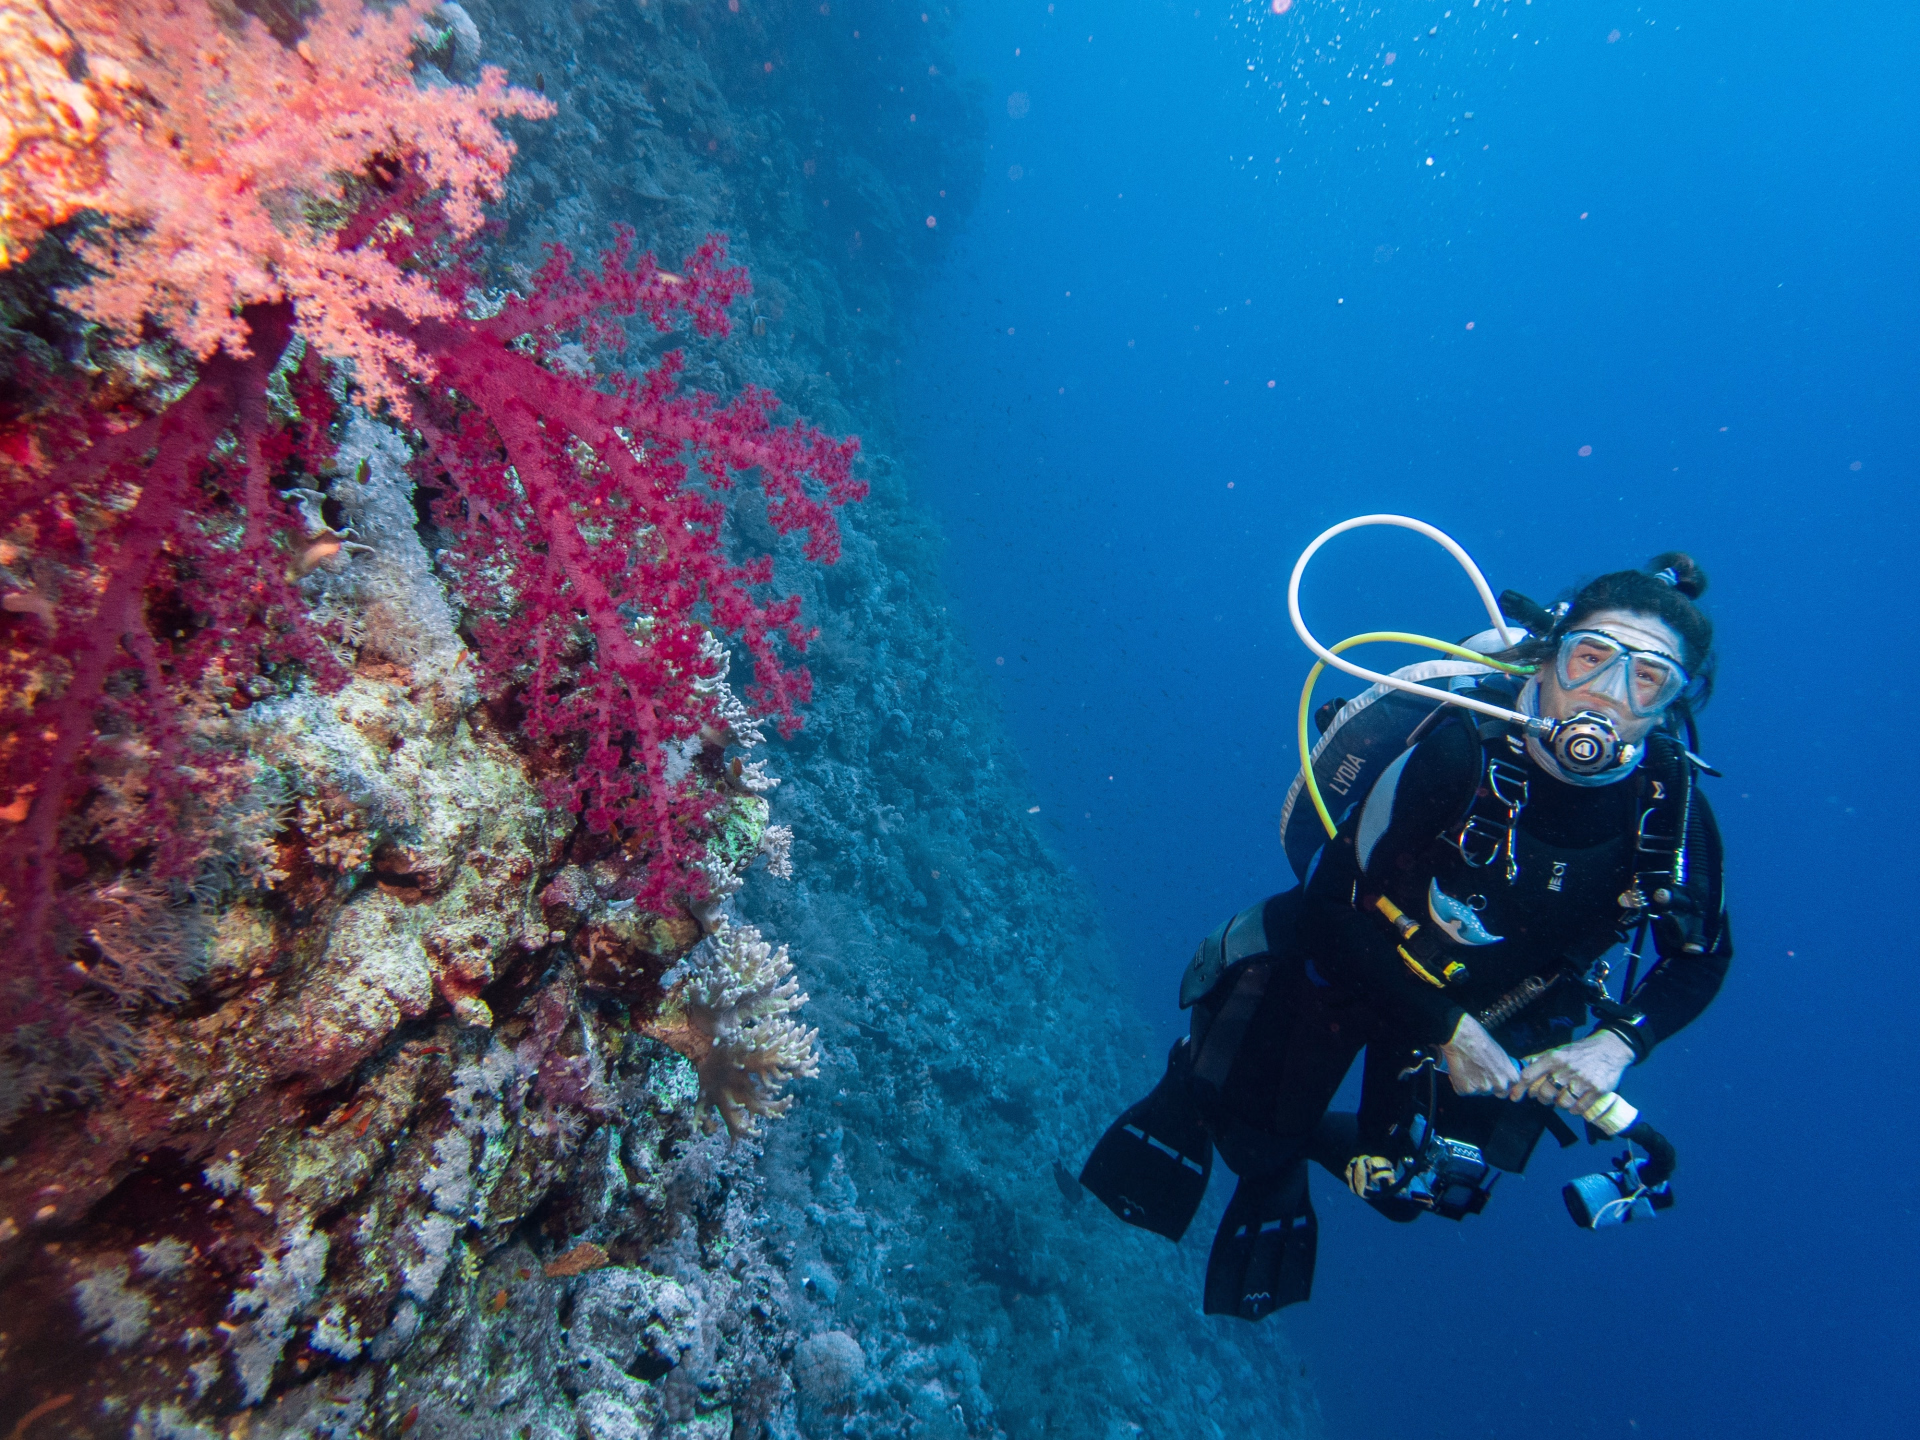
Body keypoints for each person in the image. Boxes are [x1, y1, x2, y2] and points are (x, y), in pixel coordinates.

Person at [1080, 552, 1731, 1319]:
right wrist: (1446, 1027)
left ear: (1673, 704)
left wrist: (1616, 1045)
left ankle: (1308, 1136)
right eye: (1591, 658)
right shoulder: (1462, 749)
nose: (1607, 696)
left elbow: (1701, 957)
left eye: (1647, 678)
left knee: (1415, 1193)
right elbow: (1328, 904)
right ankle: (1209, 1080)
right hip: (1354, 967)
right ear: (1551, 656)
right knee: (1251, 1143)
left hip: (1494, 1015)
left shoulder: (1670, 813)